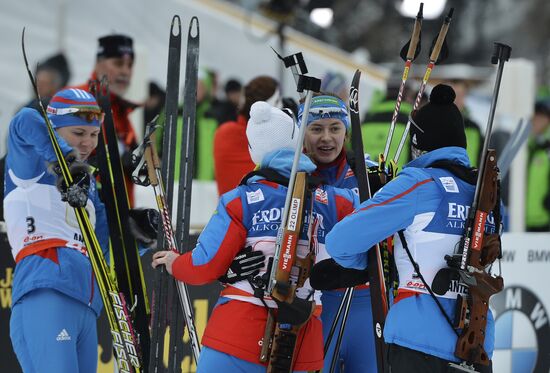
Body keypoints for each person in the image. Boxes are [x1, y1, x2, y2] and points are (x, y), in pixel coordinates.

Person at [152, 101, 359, 372]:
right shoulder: (335, 201)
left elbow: (202, 267)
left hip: (235, 337)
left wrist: (174, 262)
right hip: (301, 344)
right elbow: (374, 228)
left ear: (253, 152)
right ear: (299, 143)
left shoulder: (240, 200)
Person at [325, 84, 496, 373]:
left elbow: (341, 241)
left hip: (417, 343)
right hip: (477, 342)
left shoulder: (418, 183)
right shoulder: (486, 195)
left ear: (418, 143)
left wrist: (370, 266)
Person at [4, 88, 108, 373]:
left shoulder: (86, 185)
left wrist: (139, 235)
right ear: (53, 129)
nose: (87, 143)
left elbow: (103, 250)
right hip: (47, 290)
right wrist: (65, 161)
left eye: (94, 134)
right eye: (78, 133)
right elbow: (22, 121)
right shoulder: (31, 165)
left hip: (86, 306)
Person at [300, 93, 378, 373]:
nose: (327, 138)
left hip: (367, 301)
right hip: (314, 302)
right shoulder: (290, 175)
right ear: (302, 132)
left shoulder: (366, 172)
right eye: (316, 128)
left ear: (346, 131)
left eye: (335, 128)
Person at [73, 34, 139, 204]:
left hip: (120, 218)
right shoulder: (76, 99)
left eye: (130, 65)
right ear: (99, 64)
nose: (125, 71)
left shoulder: (121, 110)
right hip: (87, 215)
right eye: (118, 63)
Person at [213, 75, 280, 196]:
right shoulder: (271, 140)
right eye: (278, 102)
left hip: (228, 209)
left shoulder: (223, 132)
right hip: (260, 209)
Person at [526, 100, 550, 231]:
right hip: (522, 217)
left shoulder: (546, 148)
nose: (537, 121)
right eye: (535, 117)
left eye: (542, 117)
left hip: (545, 219)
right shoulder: (527, 145)